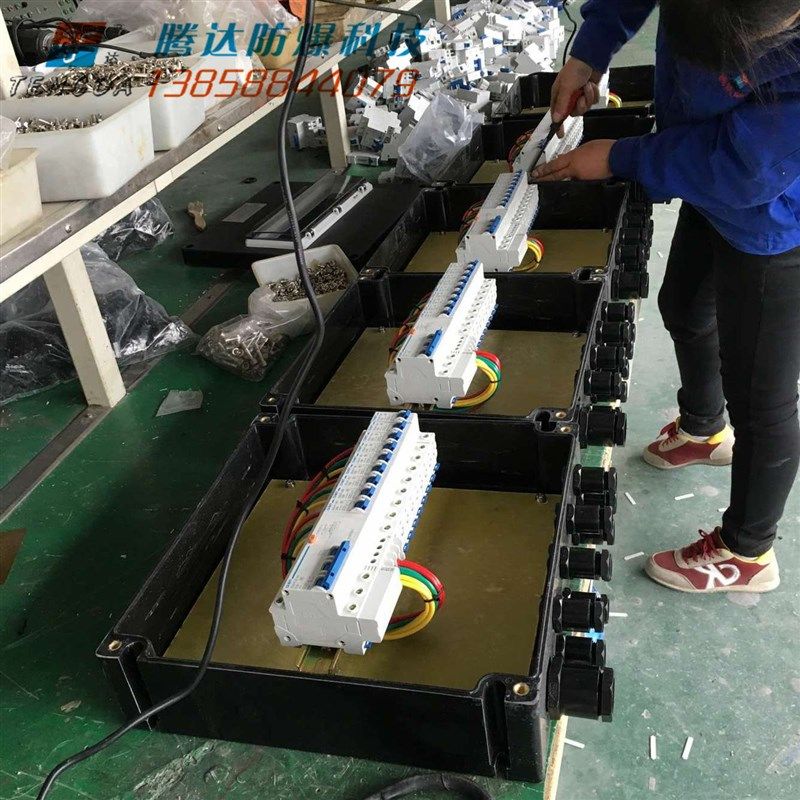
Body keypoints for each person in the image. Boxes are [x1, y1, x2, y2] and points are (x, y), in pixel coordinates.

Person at [533, 0, 800, 594]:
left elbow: (747, 169)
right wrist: (587, 55)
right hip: (710, 176)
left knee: (764, 397)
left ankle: (749, 552)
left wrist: (620, 157)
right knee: (684, 306)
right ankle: (705, 429)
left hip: (775, 218)